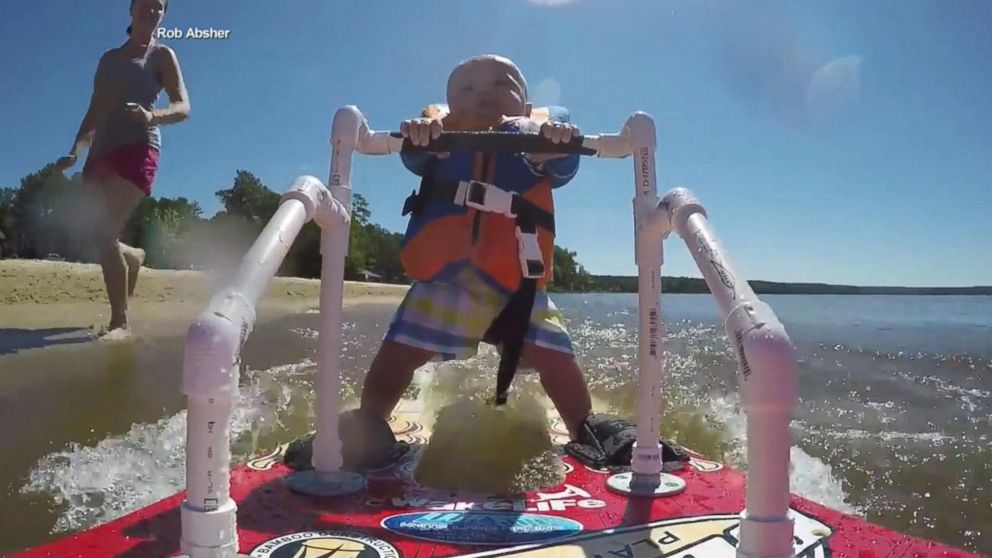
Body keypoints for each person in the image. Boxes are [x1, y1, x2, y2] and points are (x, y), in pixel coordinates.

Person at [357, 54, 593, 441]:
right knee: (399, 354)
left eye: (502, 84)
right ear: (448, 105)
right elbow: (414, 157)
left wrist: (560, 147)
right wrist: (420, 137)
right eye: (468, 88)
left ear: (527, 107)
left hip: (518, 279)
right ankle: (369, 422)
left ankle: (586, 430)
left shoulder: (538, 140)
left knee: (557, 360)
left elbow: (564, 167)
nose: (484, 92)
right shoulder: (440, 139)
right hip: (447, 280)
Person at [55, 0, 190, 333]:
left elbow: (183, 106)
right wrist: (75, 149)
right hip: (100, 153)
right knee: (101, 238)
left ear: (164, 14)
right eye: (146, 4)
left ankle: (120, 323)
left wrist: (151, 116)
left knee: (104, 234)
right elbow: (94, 110)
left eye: (159, 7)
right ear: (131, 9)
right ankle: (133, 257)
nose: (152, 11)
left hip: (139, 148)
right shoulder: (109, 60)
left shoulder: (162, 56)